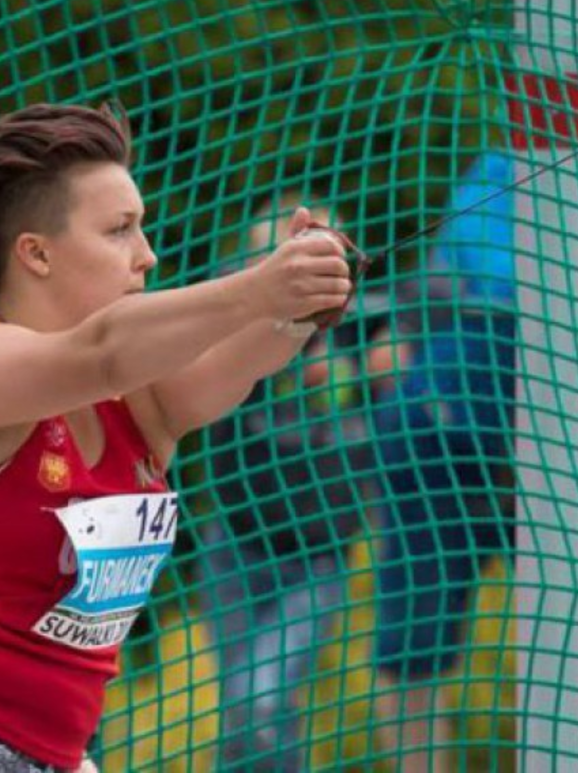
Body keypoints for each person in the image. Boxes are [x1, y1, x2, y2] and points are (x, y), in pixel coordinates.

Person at [0, 103, 352, 772]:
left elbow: (236, 360)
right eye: (119, 230)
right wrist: (258, 288)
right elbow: (103, 351)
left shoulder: (141, 406)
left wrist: (298, 309)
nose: (147, 255)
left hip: (41, 755)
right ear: (35, 253)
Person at [196, 199, 373, 771]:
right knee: (242, 710)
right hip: (236, 547)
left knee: (261, 698)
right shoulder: (238, 331)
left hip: (315, 561)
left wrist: (346, 364)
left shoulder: (364, 329)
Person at [369, 151, 518, 773]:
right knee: (414, 648)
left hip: (550, 459)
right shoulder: (502, 170)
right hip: (438, 445)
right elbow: (503, 275)